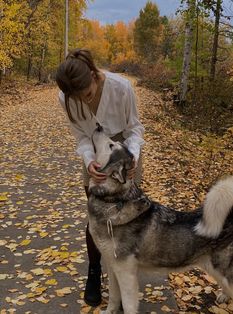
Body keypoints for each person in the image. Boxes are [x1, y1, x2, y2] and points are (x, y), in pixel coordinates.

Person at [55, 48, 145, 307]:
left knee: (128, 216)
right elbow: (81, 136)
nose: (83, 102)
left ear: (94, 75)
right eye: (77, 99)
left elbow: (135, 130)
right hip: (94, 151)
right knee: (97, 217)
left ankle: (125, 272)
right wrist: (88, 159)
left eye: (88, 96)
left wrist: (131, 157)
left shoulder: (121, 87)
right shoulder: (66, 97)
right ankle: (94, 272)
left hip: (124, 149)